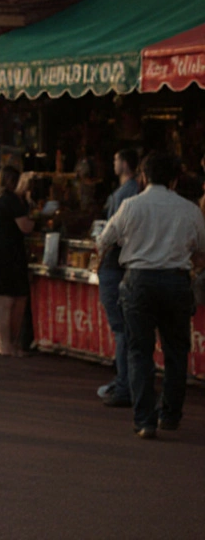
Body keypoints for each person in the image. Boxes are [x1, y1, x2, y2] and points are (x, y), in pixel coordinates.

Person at [96, 152, 205, 439]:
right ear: (175, 179)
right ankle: (169, 415)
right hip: (175, 281)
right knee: (176, 352)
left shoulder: (131, 205)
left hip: (139, 281)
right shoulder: (189, 209)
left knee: (139, 352)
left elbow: (104, 240)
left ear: (143, 177)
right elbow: (202, 249)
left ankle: (144, 420)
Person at [96, 149, 140, 407]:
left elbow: (108, 238)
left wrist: (99, 255)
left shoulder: (125, 196)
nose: (113, 164)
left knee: (123, 329)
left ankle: (124, 384)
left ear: (124, 164)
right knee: (130, 330)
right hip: (129, 267)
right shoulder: (134, 193)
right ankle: (128, 381)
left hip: (115, 265)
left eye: (115, 160)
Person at [0, 166, 34, 357]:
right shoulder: (11, 200)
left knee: (7, 299)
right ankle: (7, 344)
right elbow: (25, 227)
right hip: (9, 253)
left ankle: (7, 343)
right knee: (9, 299)